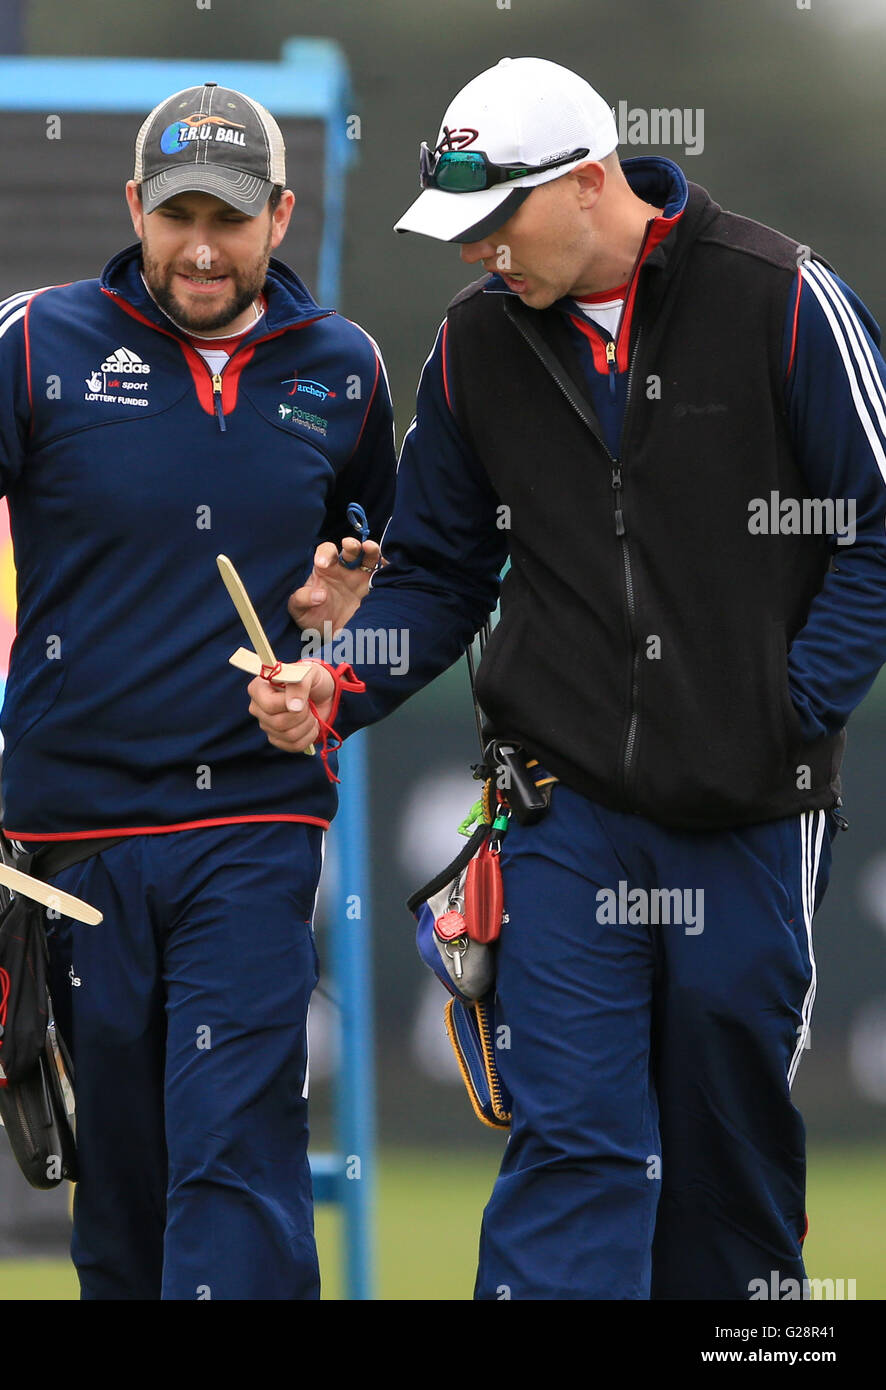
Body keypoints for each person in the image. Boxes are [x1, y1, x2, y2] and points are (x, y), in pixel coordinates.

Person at [249, 57, 886, 1299]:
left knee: (727, 1158)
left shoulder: (785, 299)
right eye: (463, 229)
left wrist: (790, 710)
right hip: (558, 807)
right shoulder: (476, 342)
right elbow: (436, 570)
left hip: (751, 813)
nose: (483, 252)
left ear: (592, 182)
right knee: (574, 1144)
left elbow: (879, 524)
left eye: (498, 220)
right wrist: (341, 682)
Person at [0, 82, 395, 1300]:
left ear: (283, 217)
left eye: (233, 217)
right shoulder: (36, 341)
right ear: (133, 207)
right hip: (70, 850)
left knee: (235, 1154)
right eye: (179, 211)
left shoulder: (344, 370)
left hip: (253, 828)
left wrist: (348, 622)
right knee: (127, 1200)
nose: (204, 244)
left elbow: (403, 570)